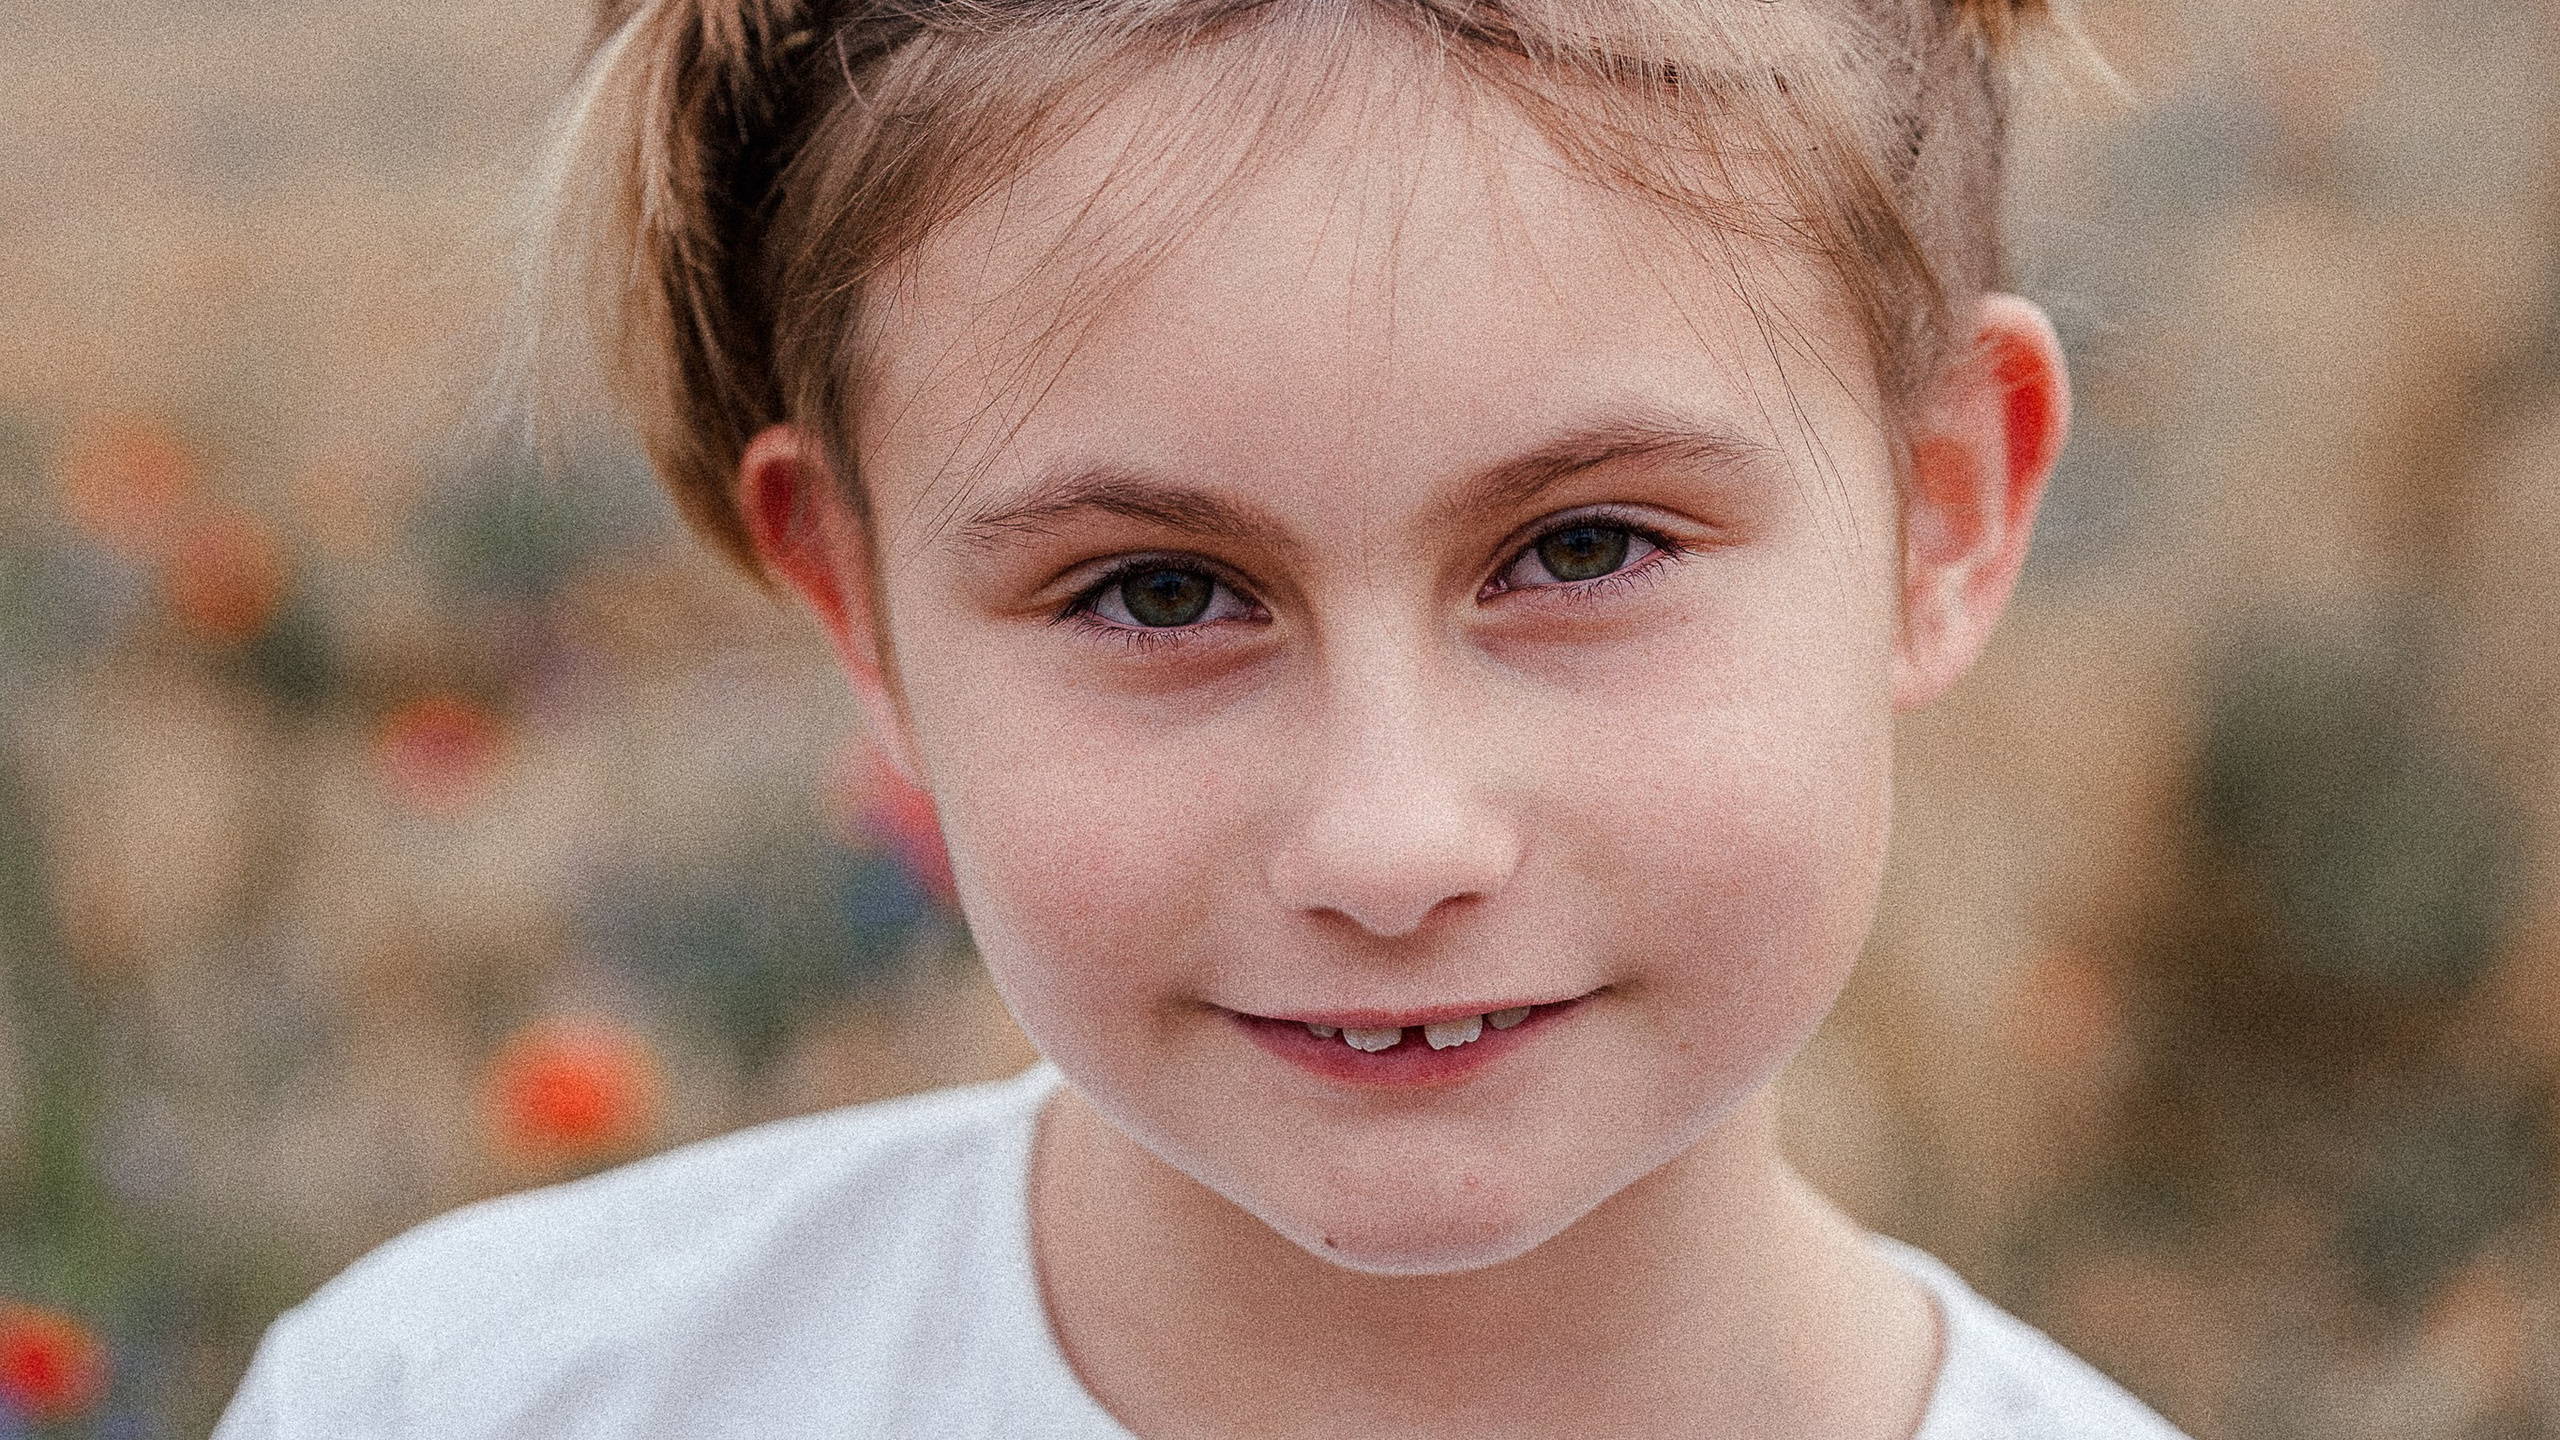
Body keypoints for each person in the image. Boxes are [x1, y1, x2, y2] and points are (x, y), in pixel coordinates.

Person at [216, 0, 2189, 1434]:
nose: (1389, 839)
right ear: (857, 597)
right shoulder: (464, 1400)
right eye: (1156, 590)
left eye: (1582, 549)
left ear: (1942, 513)